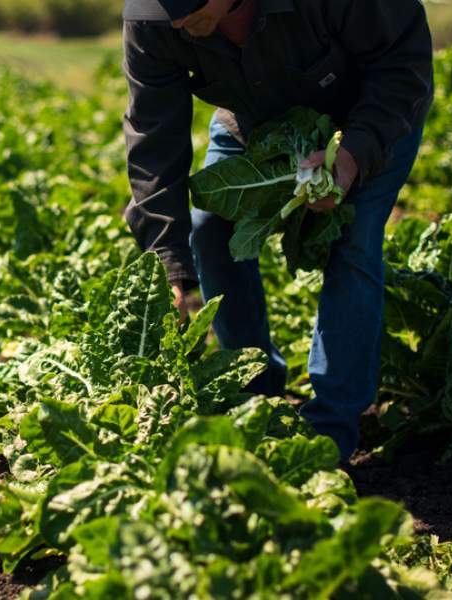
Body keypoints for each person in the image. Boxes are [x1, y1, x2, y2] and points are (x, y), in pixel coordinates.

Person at [121, 0, 434, 461]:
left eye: (188, 5)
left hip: (371, 113)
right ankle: (254, 394)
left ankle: (328, 435)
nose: (176, 20)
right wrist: (167, 266)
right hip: (255, 119)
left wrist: (349, 160)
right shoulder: (155, 20)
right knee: (210, 230)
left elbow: (401, 66)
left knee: (350, 242)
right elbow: (153, 140)